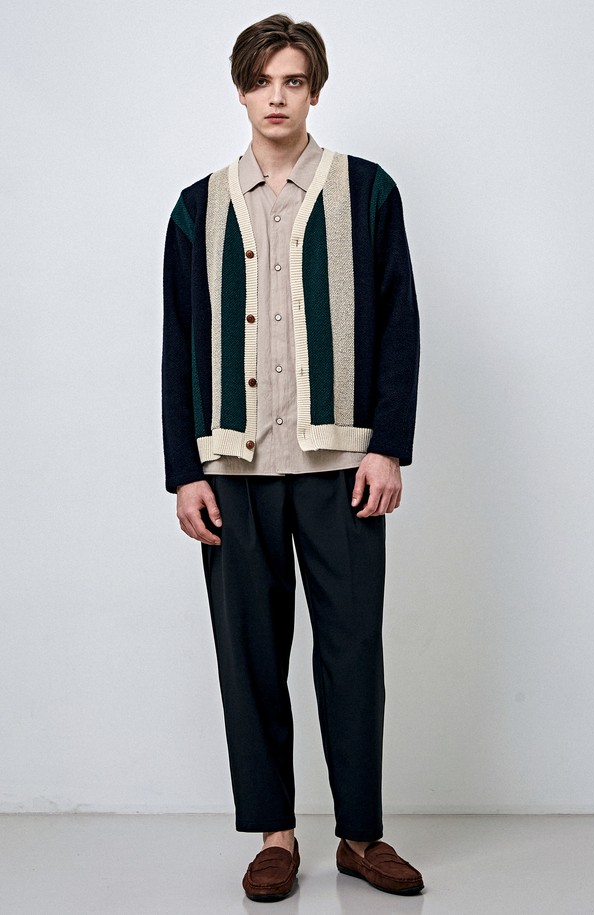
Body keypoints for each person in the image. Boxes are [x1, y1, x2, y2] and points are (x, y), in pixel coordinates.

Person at [162, 13, 422, 902]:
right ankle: (275, 834)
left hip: (340, 468)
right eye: (263, 80)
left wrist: (388, 447)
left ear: (315, 90)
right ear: (241, 90)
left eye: (294, 80)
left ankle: (360, 834)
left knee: (352, 652)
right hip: (232, 472)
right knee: (249, 659)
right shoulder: (197, 206)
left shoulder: (367, 192)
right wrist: (184, 470)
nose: (277, 97)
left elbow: (398, 324)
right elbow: (180, 343)